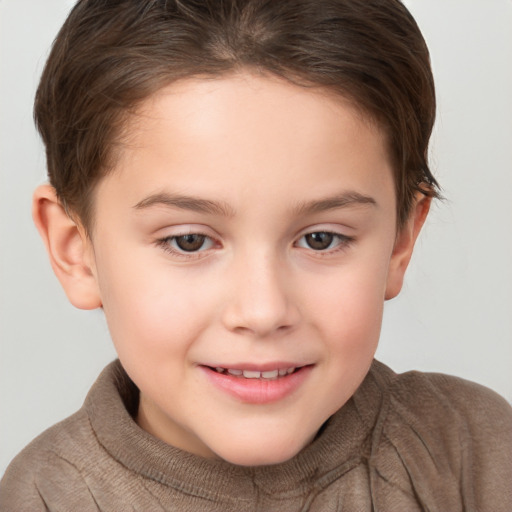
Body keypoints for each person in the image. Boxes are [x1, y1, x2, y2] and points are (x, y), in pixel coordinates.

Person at [1, 0, 511, 510]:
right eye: (189, 241)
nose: (263, 312)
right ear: (76, 250)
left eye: (321, 238)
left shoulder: (472, 456)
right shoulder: (41, 498)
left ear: (400, 241)